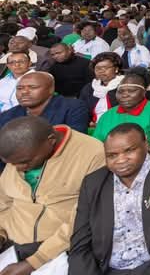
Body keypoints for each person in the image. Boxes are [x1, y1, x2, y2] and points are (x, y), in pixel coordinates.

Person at [69, 123, 150, 275]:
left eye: (129, 150)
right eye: (112, 155)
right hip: (108, 266)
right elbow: (80, 242)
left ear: (146, 144)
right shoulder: (92, 183)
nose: (121, 160)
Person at [0, 116, 104, 273]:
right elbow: (3, 201)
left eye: (25, 162)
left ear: (51, 141)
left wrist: (34, 261)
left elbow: (84, 218)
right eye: (11, 164)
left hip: (61, 249)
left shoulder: (92, 154)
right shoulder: (20, 153)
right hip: (12, 244)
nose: (18, 168)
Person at [93, 70, 150, 156]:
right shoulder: (107, 115)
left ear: (144, 92)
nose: (125, 95)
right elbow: (97, 144)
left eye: (131, 91)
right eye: (120, 91)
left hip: (149, 161)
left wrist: (126, 158)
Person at [0, 72, 89, 132]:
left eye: (32, 87)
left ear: (51, 90)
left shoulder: (73, 107)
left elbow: (74, 140)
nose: (24, 92)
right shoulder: (7, 115)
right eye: (19, 88)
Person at [78, 52, 124, 125]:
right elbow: (82, 109)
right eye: (98, 68)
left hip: (120, 124)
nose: (101, 71)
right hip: (94, 125)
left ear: (116, 69)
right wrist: (89, 122)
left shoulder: (125, 85)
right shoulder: (89, 88)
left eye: (105, 68)